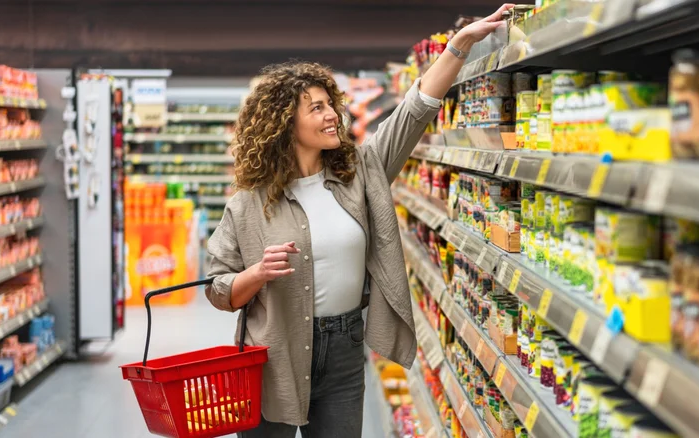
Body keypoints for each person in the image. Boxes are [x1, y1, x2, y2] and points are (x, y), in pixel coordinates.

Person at [205, 5, 514, 437]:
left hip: (345, 347)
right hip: (273, 351)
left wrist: (460, 45)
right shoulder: (247, 203)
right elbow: (218, 290)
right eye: (316, 108)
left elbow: (416, 109)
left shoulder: (361, 171)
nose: (332, 114)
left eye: (331, 104)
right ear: (283, 124)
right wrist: (255, 274)